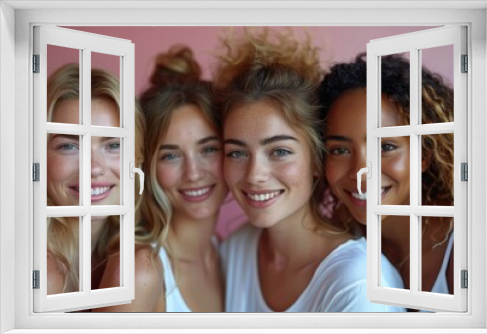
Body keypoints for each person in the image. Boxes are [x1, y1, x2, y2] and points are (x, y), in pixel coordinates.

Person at [214, 29, 405, 312]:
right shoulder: (236, 250)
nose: (254, 175)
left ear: (317, 159)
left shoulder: (358, 285)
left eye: (279, 151)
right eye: (237, 153)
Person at [98, 45, 226, 312]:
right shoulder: (138, 271)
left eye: (209, 149)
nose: (193, 173)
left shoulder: (228, 254)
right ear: (147, 166)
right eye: (170, 156)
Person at [318, 53, 455, 296]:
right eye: (339, 150)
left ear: (424, 153)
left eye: (385, 147)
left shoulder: (470, 245)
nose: (361, 172)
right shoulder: (338, 240)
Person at [46, 64, 145, 294]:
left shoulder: (131, 261)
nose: (94, 168)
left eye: (113, 145)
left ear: (137, 158)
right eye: (69, 145)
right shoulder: (37, 272)